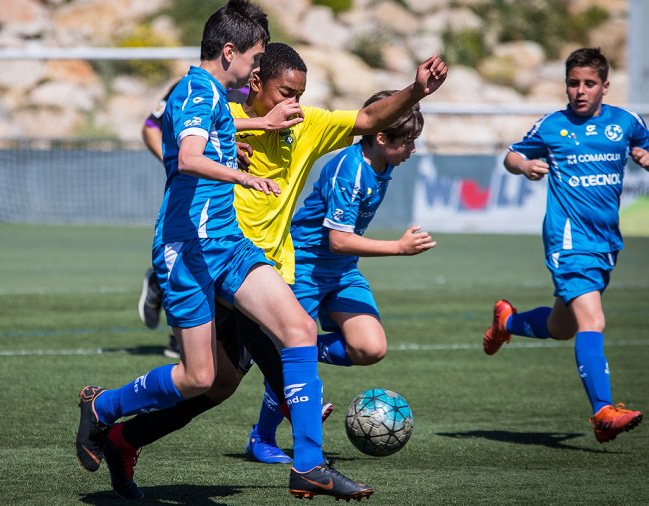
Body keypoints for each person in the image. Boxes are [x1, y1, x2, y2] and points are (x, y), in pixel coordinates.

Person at [91, 42, 447, 500]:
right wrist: (229, 143)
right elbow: (166, 127)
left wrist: (417, 90)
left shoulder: (306, 125)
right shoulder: (221, 110)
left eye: (300, 93)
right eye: (285, 93)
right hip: (221, 267)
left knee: (214, 386)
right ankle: (306, 461)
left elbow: (368, 120)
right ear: (255, 82)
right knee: (275, 348)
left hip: (265, 272)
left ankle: (121, 435)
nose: (293, 104)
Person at [246, 89, 435, 463]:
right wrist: (398, 248)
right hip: (306, 269)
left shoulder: (385, 162)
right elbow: (338, 241)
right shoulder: (348, 170)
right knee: (289, 357)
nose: (412, 149)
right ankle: (262, 437)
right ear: (380, 137)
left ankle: (295, 349)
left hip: (342, 273)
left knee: (370, 347)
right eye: (408, 141)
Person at [483, 47, 646, 443]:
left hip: (606, 241)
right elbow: (511, 156)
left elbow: (647, 142)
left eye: (589, 83)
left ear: (605, 86)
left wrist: (644, 153)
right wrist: (525, 166)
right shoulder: (553, 125)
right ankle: (603, 412)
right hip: (568, 239)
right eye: (573, 83)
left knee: (562, 327)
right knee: (593, 321)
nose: (580, 90)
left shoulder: (626, 122)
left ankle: (507, 322)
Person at [139, 79, 301, 359]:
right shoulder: (193, 87)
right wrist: (181, 162)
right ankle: (181, 333)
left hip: (232, 197)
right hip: (199, 188)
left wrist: (223, 148)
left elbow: (219, 127)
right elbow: (153, 127)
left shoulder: (252, 90)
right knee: (197, 253)